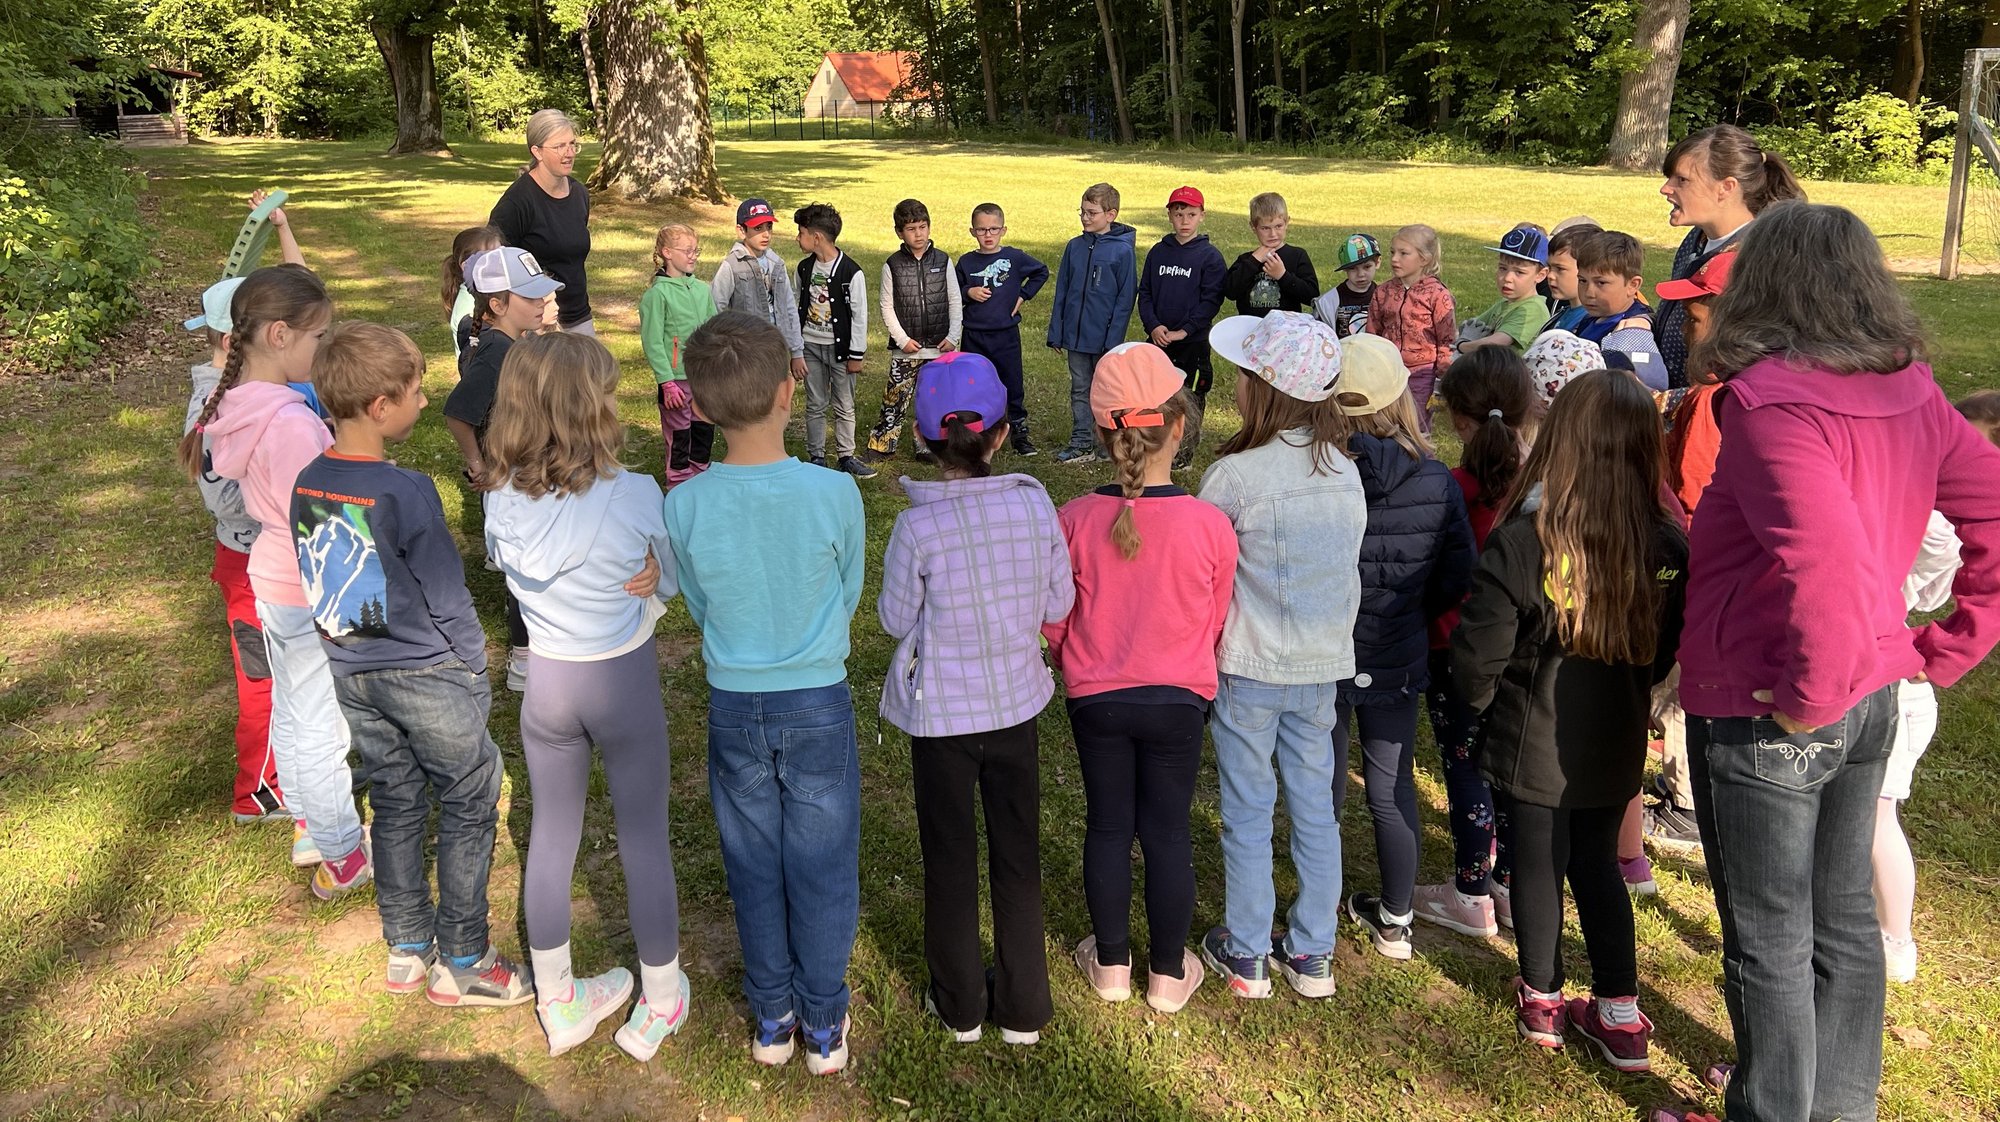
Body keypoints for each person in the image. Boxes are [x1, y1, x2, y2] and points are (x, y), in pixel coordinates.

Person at [1678, 202, 2000, 1122]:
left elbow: (1821, 563)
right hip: (1862, 690)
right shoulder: (1911, 388)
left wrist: (1823, 692)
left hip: (1779, 697)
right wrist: (1929, 653)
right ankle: (1836, 1107)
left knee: (1773, 932)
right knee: (1841, 918)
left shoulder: (1772, 401)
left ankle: (1779, 1109)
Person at [289, 322, 531, 1009]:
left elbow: (335, 586)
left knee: (394, 798)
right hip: (427, 672)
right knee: (468, 793)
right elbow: (446, 595)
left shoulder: (312, 481)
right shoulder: (407, 491)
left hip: (353, 672)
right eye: (416, 392)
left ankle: (406, 948)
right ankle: (464, 956)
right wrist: (471, 670)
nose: (425, 401)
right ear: (378, 406)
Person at [1454, 369, 1687, 1074]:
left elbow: (1478, 651)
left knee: (1536, 864)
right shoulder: (1669, 547)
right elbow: (1664, 648)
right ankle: (1618, 1008)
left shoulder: (1525, 540)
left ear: (1559, 441)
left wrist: (1474, 710)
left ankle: (1544, 998)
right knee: (1597, 866)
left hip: (1532, 739)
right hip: (1613, 738)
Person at [669, 312, 867, 1076]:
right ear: (793, 385)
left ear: (699, 404)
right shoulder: (833, 494)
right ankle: (822, 1023)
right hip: (816, 697)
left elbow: (698, 603)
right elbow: (845, 591)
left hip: (735, 703)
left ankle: (775, 1017)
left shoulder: (683, 503)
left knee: (752, 860)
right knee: (821, 865)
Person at [482, 333, 686, 1061]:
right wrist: (656, 574)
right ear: (591, 408)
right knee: (643, 837)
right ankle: (662, 999)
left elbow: (511, 569)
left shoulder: (500, 497)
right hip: (619, 683)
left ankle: (560, 999)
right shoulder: (634, 493)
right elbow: (668, 580)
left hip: (547, 688)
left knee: (551, 835)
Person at [877, 351, 1072, 1046]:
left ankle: (960, 1005)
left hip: (942, 723)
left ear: (927, 442)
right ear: (997, 435)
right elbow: (1059, 598)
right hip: (1016, 707)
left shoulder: (916, 527)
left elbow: (895, 619)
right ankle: (1023, 1009)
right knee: (1018, 854)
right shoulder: (1033, 504)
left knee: (950, 855)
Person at [1045, 342, 1234, 1014]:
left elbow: (1055, 617)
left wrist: (1070, 652)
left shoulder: (1071, 520)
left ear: (1100, 431)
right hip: (1180, 699)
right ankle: (1165, 975)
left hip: (1096, 698)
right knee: (1167, 831)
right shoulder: (1210, 524)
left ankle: (1113, 967)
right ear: (1179, 425)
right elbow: (1215, 620)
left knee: (1107, 825)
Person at [180, 264, 369, 900]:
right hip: (311, 582)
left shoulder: (237, 403)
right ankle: (342, 848)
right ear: (281, 335)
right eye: (320, 336)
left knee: (294, 709)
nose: (325, 348)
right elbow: (322, 514)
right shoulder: (288, 423)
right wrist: (360, 606)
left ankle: (313, 824)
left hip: (272, 575)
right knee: (322, 721)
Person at [1194, 312, 1361, 1000]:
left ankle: (1247, 946)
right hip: (1321, 667)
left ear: (1263, 389)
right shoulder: (1345, 472)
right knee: (1315, 806)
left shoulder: (1233, 476)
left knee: (1248, 805)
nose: (1235, 385)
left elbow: (1202, 571)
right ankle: (1313, 950)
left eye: (1242, 375)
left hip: (1249, 667)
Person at [1327, 333, 1476, 960]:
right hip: (1396, 651)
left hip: (1330, 653)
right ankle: (1396, 920)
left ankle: (1320, 905)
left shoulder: (1320, 473)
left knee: (1325, 785)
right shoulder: (1436, 480)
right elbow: (1456, 575)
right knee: (1391, 788)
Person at [1412, 347, 1536, 937]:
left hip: (1451, 650)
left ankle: (1469, 890)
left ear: (1458, 417)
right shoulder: (1539, 489)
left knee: (1464, 767)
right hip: (1523, 652)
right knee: (1507, 766)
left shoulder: (1451, 488)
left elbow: (1432, 571)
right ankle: (1506, 884)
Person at [183, 276, 288, 831]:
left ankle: (299, 768)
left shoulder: (251, 396)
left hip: (271, 562)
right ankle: (260, 792)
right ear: (238, 340)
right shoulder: (213, 406)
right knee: (264, 680)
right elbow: (223, 496)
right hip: (251, 567)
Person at [444, 246, 563, 693]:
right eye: (530, 297)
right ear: (497, 305)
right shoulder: (496, 353)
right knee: (522, 568)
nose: (541, 304)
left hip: (527, 470)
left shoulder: (514, 343)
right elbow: (458, 413)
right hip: (509, 477)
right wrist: (480, 467)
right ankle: (523, 660)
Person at [1654, 124, 1804, 388]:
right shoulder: (1695, 239)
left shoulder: (1758, 260)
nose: (1665, 189)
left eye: (1682, 180)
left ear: (1726, 187)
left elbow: (1743, 370)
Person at [1047, 182, 1138, 465]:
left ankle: (1106, 443)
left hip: (1104, 340)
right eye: (1082, 212)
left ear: (1110, 215)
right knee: (1079, 388)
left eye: (1092, 213)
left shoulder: (1122, 252)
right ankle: (1081, 442)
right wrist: (1056, 332)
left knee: (1106, 391)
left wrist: (1113, 340)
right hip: (1075, 337)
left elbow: (1125, 299)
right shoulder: (1074, 247)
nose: (1085, 218)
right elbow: (1062, 290)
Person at [1136, 186, 1227, 471]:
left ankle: (1184, 453)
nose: (1184, 221)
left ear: (1202, 216)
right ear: (1170, 215)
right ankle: (1155, 442)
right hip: (1159, 339)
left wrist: (1185, 330)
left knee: (1190, 396)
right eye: (1178, 214)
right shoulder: (1158, 252)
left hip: (1192, 342)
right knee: (1157, 395)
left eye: (1191, 214)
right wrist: (1154, 326)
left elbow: (1210, 301)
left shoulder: (1210, 257)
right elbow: (1146, 292)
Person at [865, 198, 961, 463]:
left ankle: (928, 446)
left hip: (939, 346)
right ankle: (883, 443)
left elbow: (954, 300)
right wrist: (902, 339)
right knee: (895, 397)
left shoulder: (943, 261)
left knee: (934, 400)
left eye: (922, 227)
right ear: (900, 232)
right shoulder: (893, 265)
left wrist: (953, 337)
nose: (918, 234)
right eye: (911, 229)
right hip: (907, 348)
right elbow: (887, 306)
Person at [956, 202, 1050, 458]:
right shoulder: (966, 261)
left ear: (1003, 230)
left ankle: (1018, 430)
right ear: (972, 231)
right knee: (974, 384)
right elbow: (953, 290)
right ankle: (977, 432)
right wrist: (968, 292)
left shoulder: (1015, 258)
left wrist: (1023, 295)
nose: (988, 235)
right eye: (982, 230)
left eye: (993, 229)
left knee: (1012, 383)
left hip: (1005, 334)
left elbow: (1042, 271)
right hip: (974, 334)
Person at [489, 109, 594, 334]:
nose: (569, 153)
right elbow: (496, 262)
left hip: (578, 315)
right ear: (536, 151)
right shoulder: (517, 202)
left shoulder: (579, 194)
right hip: (536, 323)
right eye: (559, 146)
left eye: (573, 144)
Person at [792, 203, 874, 478]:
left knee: (844, 404)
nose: (797, 238)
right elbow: (795, 307)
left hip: (841, 351)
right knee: (815, 403)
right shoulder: (804, 270)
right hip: (810, 347)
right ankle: (816, 456)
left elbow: (859, 316)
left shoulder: (851, 273)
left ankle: (846, 455)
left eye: (800, 232)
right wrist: (796, 350)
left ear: (816, 237)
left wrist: (856, 355)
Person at [640, 223, 721, 487]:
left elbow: (713, 331)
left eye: (696, 250)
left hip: (703, 377)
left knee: (703, 428)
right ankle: (678, 481)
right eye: (687, 250)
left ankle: (700, 473)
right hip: (675, 380)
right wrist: (666, 381)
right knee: (680, 431)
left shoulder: (702, 290)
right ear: (667, 252)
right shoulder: (657, 294)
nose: (693, 255)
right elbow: (653, 342)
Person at [1365, 225, 1455, 435]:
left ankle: (1421, 463)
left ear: (1424, 259)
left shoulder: (1437, 295)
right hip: (1388, 369)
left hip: (1421, 372)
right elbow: (1373, 330)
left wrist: (1443, 371)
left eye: (1403, 253)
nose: (1395, 259)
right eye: (1392, 252)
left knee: (1416, 425)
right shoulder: (1383, 292)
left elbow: (1446, 337)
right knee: (1385, 421)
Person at [710, 198, 807, 381]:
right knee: (748, 404)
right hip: (745, 353)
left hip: (775, 350)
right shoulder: (732, 266)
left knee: (774, 403)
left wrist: (796, 352)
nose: (766, 235)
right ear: (741, 231)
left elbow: (789, 308)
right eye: (757, 228)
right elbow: (715, 306)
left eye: (768, 227)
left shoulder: (777, 264)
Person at [1571, 231, 1665, 390]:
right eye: (1582, 281)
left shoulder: (1633, 333)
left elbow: (1644, 392)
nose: (1588, 292)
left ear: (1633, 285)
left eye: (1600, 283)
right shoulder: (1593, 317)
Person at [1458, 227, 1551, 356]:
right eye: (1502, 268)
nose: (1507, 278)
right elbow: (1470, 325)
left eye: (1519, 272)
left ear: (1540, 275)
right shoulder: (1504, 304)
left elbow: (1495, 344)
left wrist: (1461, 345)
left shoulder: (1533, 309)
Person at [1224, 192, 1319, 318]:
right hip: (1252, 330)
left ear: (1287, 222)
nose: (1273, 234)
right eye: (1265, 228)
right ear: (1253, 227)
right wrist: (1254, 261)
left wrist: (1283, 276)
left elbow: (1312, 296)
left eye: (1278, 226)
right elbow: (1230, 292)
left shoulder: (1297, 256)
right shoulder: (1246, 260)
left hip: (1287, 330)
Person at [443, 224, 502, 361]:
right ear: (467, 266)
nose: (502, 263)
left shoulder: (485, 293)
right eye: (492, 258)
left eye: (502, 255)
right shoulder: (468, 311)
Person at [1315, 232, 1381, 339]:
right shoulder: (1329, 302)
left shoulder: (1384, 297)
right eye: (1353, 268)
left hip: (1375, 353)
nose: (1361, 274)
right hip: (1343, 353)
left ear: (1377, 262)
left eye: (1367, 267)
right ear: (1345, 269)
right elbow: (1322, 337)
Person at [1539, 220, 1600, 336]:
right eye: (1550, 267)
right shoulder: (1563, 313)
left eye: (1560, 269)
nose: (1550, 275)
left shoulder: (1592, 323)